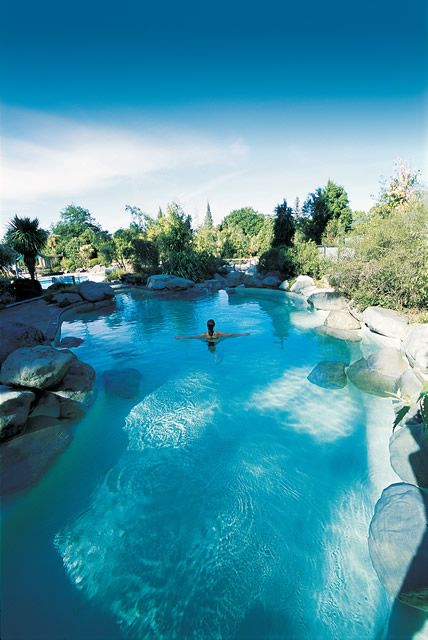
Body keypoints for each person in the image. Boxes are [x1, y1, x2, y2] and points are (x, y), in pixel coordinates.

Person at [175, 319, 250, 341]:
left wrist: (181, 337)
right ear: (214, 325)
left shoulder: (204, 334)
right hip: (216, 341)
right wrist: (243, 334)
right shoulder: (218, 333)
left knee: (210, 346)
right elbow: (231, 335)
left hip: (207, 341)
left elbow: (192, 337)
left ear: (207, 326)